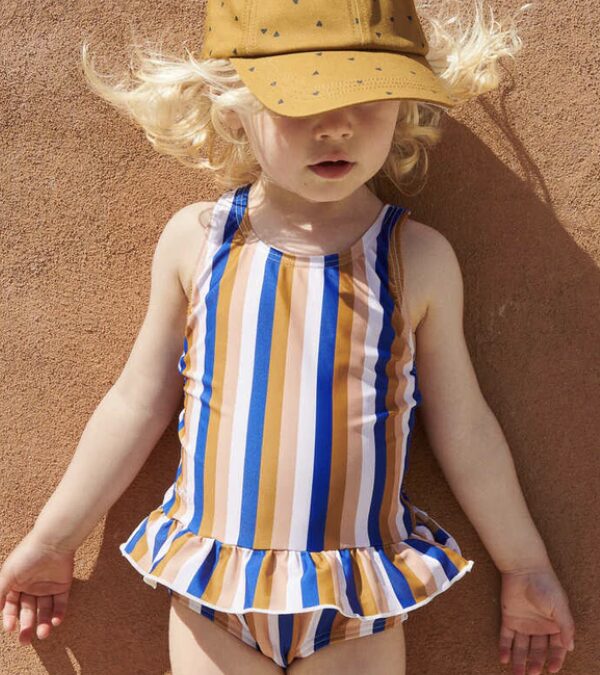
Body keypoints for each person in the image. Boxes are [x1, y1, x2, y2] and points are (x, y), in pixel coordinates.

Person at [1, 1, 576, 673]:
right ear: (233, 109)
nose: (336, 126)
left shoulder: (416, 259)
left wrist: (525, 564)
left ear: (403, 106)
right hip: (215, 588)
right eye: (300, 101)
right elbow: (137, 401)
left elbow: (464, 425)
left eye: (366, 97)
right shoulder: (199, 242)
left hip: (354, 596)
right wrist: (54, 539)